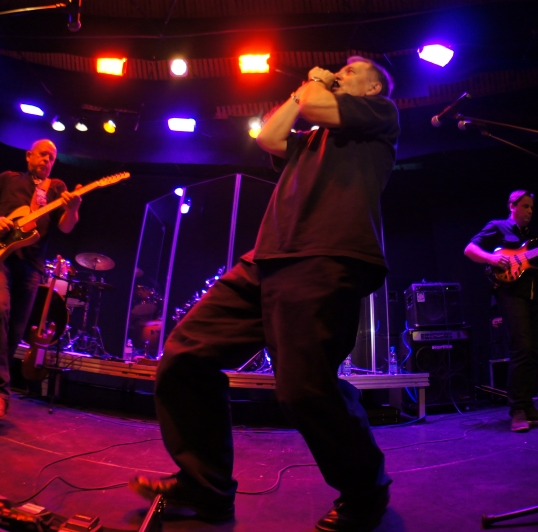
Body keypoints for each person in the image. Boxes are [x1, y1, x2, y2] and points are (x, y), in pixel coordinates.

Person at [129, 57, 400, 532]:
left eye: (350, 71)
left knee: (305, 388)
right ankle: (206, 487)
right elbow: (269, 138)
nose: (340, 72)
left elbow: (314, 102)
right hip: (268, 258)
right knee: (187, 354)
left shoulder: (380, 112)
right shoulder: (312, 135)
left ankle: (366, 493)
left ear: (373, 86)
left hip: (325, 255)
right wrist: (301, 92)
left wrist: (314, 83)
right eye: (338, 70)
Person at [0, 139, 81, 420]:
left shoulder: (56, 187)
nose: (47, 160)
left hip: (32, 267)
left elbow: (66, 227)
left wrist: (73, 208)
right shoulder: (8, 179)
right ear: (29, 156)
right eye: (43, 155)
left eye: (52, 158)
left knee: (15, 332)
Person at [464, 190, 538, 432]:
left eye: (532, 208)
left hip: (533, 297)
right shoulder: (498, 227)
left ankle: (528, 406)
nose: (530, 211)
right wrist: (492, 259)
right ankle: (517, 410)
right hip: (511, 295)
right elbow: (470, 249)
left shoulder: (533, 239)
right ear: (512, 205)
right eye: (525, 206)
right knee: (521, 348)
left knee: (534, 351)